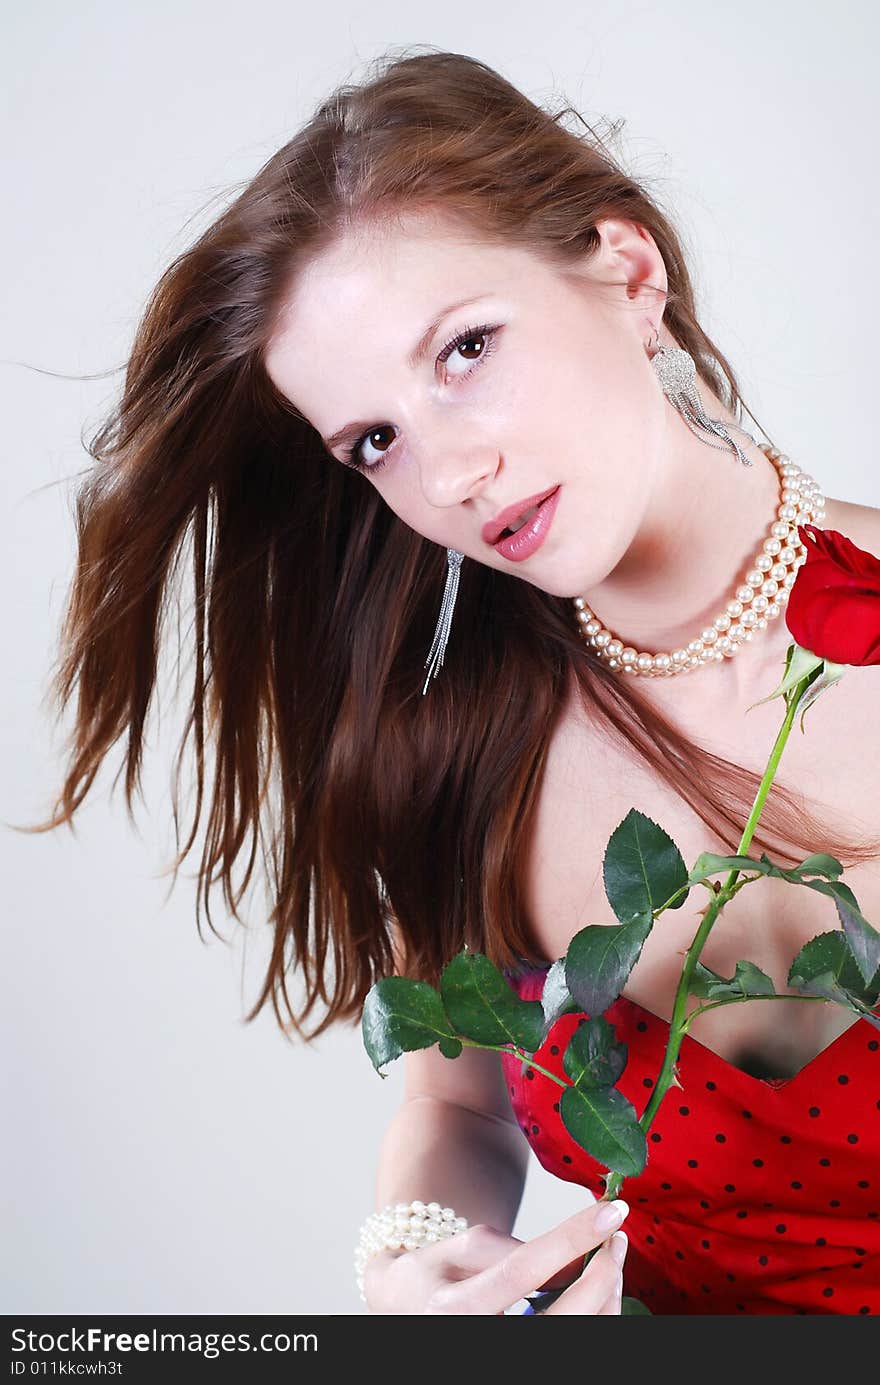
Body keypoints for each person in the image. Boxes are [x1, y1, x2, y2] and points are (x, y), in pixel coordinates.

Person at [26, 48, 880, 1315]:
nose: (449, 476)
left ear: (628, 275)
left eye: (467, 347)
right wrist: (408, 1268)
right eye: (374, 440)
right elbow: (452, 1100)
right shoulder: (460, 753)